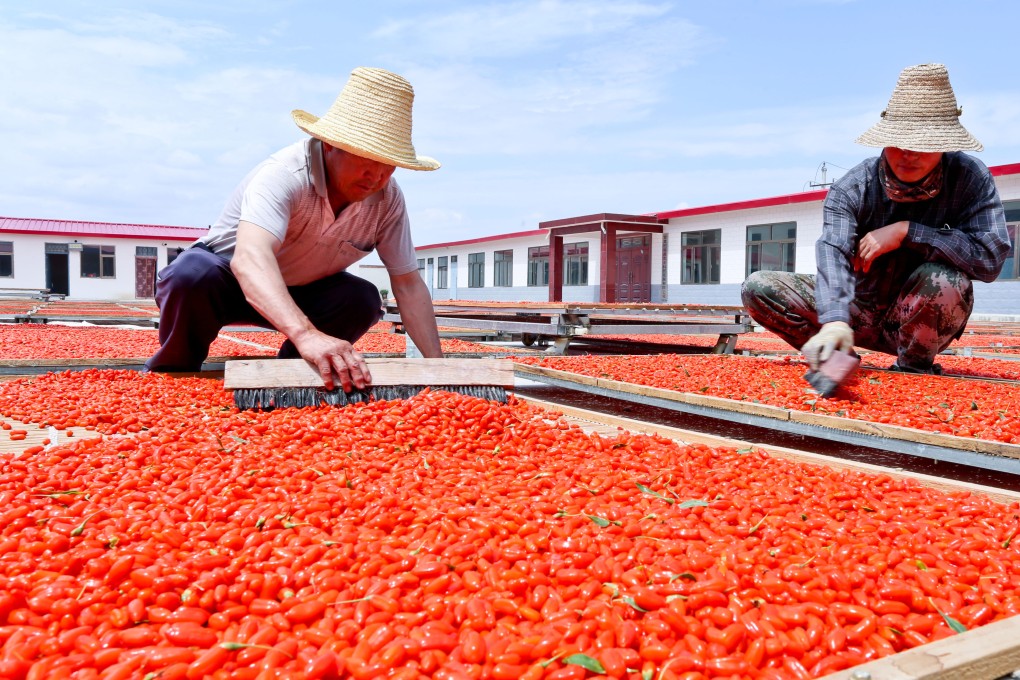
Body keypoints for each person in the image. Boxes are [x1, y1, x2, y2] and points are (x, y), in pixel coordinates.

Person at [145, 67, 443, 391]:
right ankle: (174, 374)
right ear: (330, 144)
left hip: (303, 292)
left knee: (362, 298)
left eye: (388, 167)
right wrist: (306, 334)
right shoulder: (286, 174)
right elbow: (249, 259)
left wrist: (439, 369)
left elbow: (408, 285)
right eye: (366, 161)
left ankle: (296, 377)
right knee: (192, 274)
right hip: (224, 284)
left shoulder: (387, 199)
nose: (376, 177)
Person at [741, 63, 1010, 376]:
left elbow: (990, 258)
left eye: (923, 144)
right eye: (899, 141)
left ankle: (912, 369)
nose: (909, 153)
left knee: (944, 279)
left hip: (921, 320)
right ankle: (837, 356)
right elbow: (833, 253)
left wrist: (909, 233)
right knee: (758, 287)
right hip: (858, 310)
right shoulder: (852, 188)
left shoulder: (969, 179)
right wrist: (834, 320)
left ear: (945, 144)